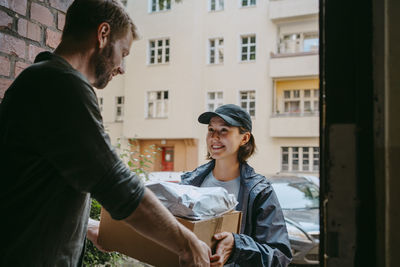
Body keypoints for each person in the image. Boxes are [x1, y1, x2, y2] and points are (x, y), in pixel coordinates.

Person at [0, 0, 210, 266]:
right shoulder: (64, 86)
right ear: (102, 35)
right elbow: (117, 184)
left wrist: (85, 226)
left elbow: (32, 184)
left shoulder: (37, 80)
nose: (121, 68)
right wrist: (187, 243)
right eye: (123, 52)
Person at [180, 104, 292, 267]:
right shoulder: (190, 183)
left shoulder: (259, 192)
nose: (214, 137)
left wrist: (238, 246)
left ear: (244, 138)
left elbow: (279, 256)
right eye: (211, 129)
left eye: (224, 130)